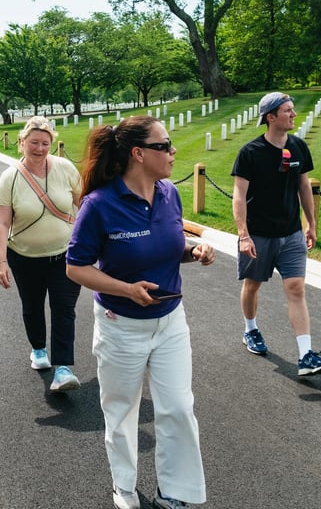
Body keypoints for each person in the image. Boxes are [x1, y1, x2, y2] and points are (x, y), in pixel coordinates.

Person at [66, 115, 215, 509]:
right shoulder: (100, 205)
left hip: (170, 323)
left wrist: (193, 251)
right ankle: (124, 486)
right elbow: (76, 267)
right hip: (120, 327)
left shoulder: (170, 194)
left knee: (178, 408)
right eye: (164, 145)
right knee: (121, 411)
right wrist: (126, 290)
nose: (173, 151)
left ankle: (174, 491)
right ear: (138, 153)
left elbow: (168, 246)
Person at [231, 91, 321, 376]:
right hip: (259, 235)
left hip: (291, 234)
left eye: (292, 109)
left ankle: (306, 356)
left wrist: (311, 223)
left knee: (296, 288)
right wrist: (244, 234)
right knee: (253, 285)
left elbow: (304, 186)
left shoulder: (298, 147)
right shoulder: (250, 153)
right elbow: (239, 196)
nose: (293, 114)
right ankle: (250, 329)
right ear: (271, 117)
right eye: (287, 110)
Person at [0, 116, 82, 392]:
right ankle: (39, 349)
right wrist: (0, 261)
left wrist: (93, 242)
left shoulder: (65, 169)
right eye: (34, 143)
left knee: (64, 308)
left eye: (45, 143)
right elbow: (1, 223)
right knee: (32, 306)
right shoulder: (10, 178)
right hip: (24, 257)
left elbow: (85, 205)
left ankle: (63, 368)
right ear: (22, 142)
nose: (40, 148)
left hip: (64, 255)